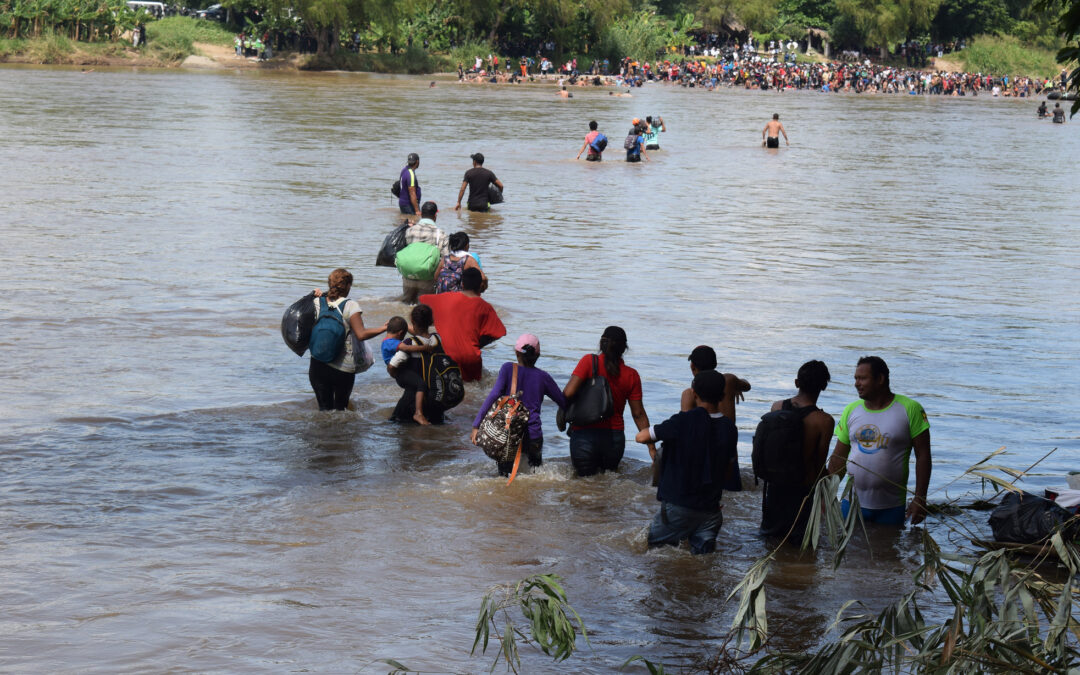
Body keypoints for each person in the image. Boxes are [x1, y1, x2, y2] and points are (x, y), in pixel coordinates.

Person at [634, 370, 737, 554]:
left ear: (694, 394)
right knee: (702, 561)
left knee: (653, 553)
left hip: (678, 506)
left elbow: (641, 437)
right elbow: (727, 472)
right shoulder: (729, 428)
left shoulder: (682, 422)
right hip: (710, 509)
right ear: (722, 396)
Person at [827, 356, 932, 526]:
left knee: (888, 551)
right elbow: (838, 458)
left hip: (891, 507)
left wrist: (920, 499)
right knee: (850, 551)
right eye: (855, 378)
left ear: (880, 379)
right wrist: (826, 496)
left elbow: (923, 456)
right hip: (851, 504)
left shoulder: (910, 408)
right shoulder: (851, 410)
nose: (856, 383)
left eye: (862, 378)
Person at [758, 360, 836, 540]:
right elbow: (819, 465)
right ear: (824, 386)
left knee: (770, 540)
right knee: (800, 545)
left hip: (775, 486)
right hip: (803, 492)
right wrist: (828, 496)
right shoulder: (824, 421)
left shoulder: (776, 407)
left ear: (796, 383)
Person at [471, 334, 568, 476]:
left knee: (504, 477)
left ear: (517, 353)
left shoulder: (507, 369)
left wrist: (476, 425)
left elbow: (493, 395)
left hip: (508, 432)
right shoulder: (544, 377)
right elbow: (563, 402)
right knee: (535, 475)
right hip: (533, 435)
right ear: (538, 355)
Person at [563, 326, 654, 476]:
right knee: (607, 483)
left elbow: (568, 393)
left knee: (583, 486)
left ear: (601, 344)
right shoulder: (632, 375)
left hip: (584, 435)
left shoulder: (588, 362)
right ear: (624, 348)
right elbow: (638, 414)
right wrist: (651, 447)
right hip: (614, 438)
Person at [308, 268, 388, 411]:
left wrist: (312, 295)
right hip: (342, 367)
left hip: (317, 364)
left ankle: (321, 433)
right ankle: (341, 433)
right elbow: (361, 334)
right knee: (341, 410)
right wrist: (383, 328)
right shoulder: (351, 305)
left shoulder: (316, 302)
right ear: (348, 285)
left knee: (324, 410)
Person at [678, 346, 750, 490]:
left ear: (693, 367)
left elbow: (686, 430)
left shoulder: (690, 394)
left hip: (703, 459)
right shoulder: (728, 381)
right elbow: (747, 386)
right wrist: (736, 386)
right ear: (715, 364)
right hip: (728, 455)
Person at [419, 267, 506, 382]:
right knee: (472, 392)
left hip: (446, 355)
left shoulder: (444, 298)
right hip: (470, 358)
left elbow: (421, 300)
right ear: (480, 285)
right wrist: (477, 344)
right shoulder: (485, 306)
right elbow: (500, 332)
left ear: (462, 284)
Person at [388, 304, 439, 425]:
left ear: (412, 321)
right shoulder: (438, 339)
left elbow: (392, 366)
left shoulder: (410, 343)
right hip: (435, 398)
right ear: (431, 321)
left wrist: (398, 376)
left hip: (411, 401)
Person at [400, 201, 450, 303]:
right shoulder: (441, 234)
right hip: (428, 279)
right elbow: (446, 260)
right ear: (435, 215)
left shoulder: (409, 231)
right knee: (424, 309)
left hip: (408, 276)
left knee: (406, 304)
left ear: (421, 214)